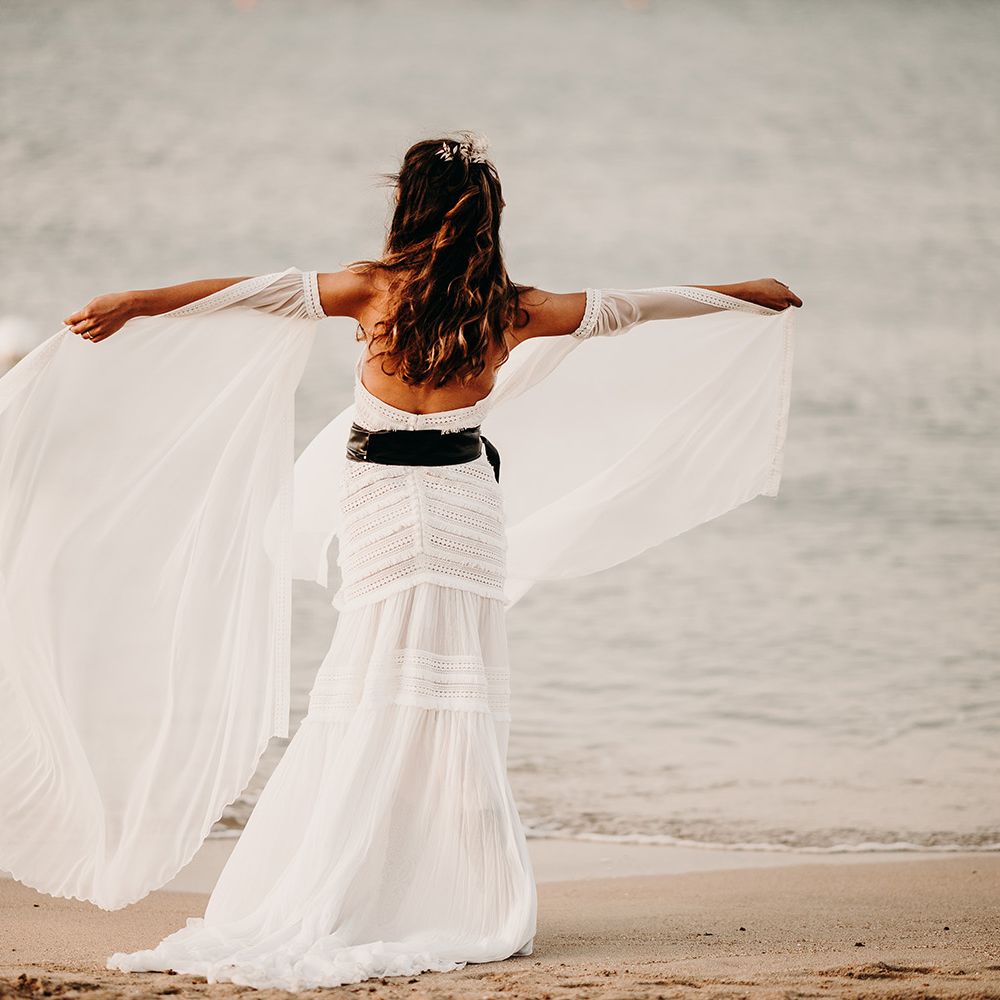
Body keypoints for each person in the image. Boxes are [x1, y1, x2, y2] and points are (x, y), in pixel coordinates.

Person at [3, 131, 800, 992]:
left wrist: (134, 301)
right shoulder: (514, 307)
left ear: (406, 210)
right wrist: (739, 295)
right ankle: (446, 885)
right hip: (463, 507)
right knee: (451, 687)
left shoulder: (371, 290)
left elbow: (244, 292)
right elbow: (630, 307)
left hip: (382, 505)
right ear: (490, 221)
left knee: (373, 679)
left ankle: (355, 873)